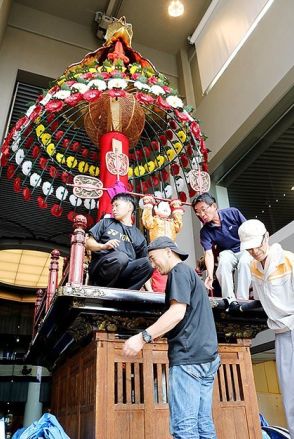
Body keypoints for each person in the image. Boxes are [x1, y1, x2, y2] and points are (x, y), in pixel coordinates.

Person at [123, 236, 220, 439]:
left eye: (152, 257)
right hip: (208, 357)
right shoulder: (191, 275)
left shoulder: (178, 271)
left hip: (189, 358)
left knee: (184, 428)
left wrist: (142, 338)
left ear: (168, 251)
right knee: (203, 425)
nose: (152, 264)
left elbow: (177, 313)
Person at [238, 219, 294, 438]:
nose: (254, 251)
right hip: (281, 333)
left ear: (267, 237)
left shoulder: (289, 261)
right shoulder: (253, 266)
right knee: (289, 392)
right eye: (249, 248)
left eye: (257, 245)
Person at [192, 192, 252, 309]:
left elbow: (248, 230)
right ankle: (230, 299)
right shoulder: (205, 231)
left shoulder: (232, 213)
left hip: (244, 248)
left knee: (245, 261)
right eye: (198, 212)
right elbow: (208, 254)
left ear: (214, 206)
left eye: (203, 209)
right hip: (228, 253)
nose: (201, 214)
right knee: (223, 259)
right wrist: (209, 275)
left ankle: (242, 299)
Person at [85, 192, 153, 290]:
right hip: (102, 270)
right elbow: (88, 243)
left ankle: (126, 295)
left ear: (130, 207)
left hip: (123, 276)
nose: (113, 209)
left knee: (147, 264)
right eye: (112, 206)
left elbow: (143, 263)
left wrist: (150, 291)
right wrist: (103, 246)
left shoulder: (139, 236)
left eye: (117, 205)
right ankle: (104, 291)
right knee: (121, 257)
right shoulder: (106, 223)